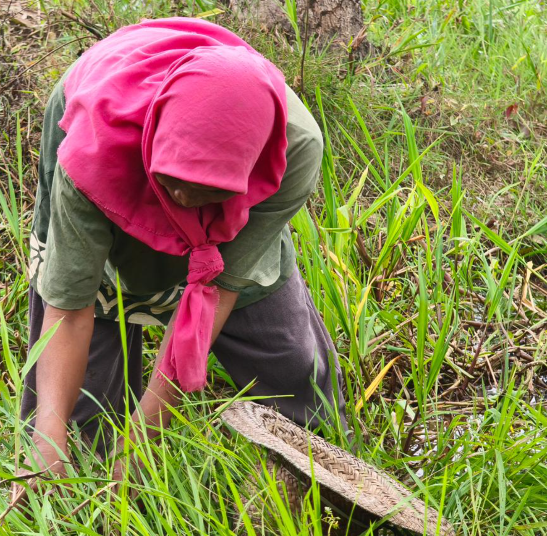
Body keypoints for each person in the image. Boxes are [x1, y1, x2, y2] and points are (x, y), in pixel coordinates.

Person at [19, 17, 347, 480]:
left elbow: (219, 291)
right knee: (81, 422)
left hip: (231, 192)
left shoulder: (293, 150)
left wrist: (146, 434)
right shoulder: (90, 151)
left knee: (295, 371)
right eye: (174, 185)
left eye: (206, 192)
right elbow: (71, 307)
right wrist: (48, 437)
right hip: (119, 154)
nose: (184, 203)